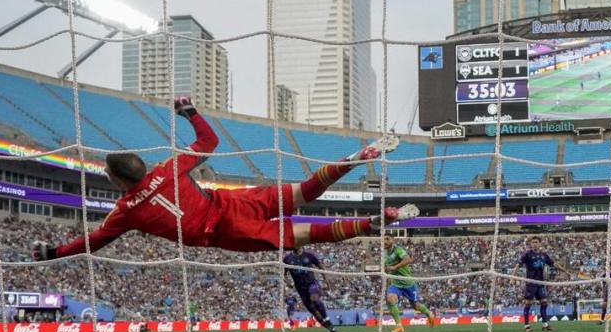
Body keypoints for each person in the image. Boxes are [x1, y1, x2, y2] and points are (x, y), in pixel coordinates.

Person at [33, 97, 417, 260]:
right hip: (232, 201)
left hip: (224, 230)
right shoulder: (168, 168)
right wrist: (189, 111)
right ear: (142, 167)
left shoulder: (125, 211)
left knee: (306, 234)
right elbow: (210, 140)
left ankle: (374, 222)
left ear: (116, 179)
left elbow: (93, 242)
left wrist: (53, 252)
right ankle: (352, 160)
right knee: (302, 192)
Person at [511, 235, 569, 332]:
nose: (534, 244)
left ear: (540, 243)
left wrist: (565, 271)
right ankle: (527, 326)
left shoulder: (544, 255)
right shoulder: (527, 254)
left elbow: (554, 264)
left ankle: (545, 325)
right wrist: (513, 277)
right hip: (531, 283)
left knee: (544, 302)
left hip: (541, 283)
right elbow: (518, 265)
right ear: (531, 244)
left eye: (536, 242)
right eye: (533, 242)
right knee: (528, 304)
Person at [384, 234, 436, 332]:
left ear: (393, 240)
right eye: (383, 239)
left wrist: (395, 267)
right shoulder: (385, 254)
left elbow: (408, 260)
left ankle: (429, 313)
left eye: (387, 239)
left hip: (407, 283)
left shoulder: (398, 250)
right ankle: (399, 326)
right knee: (390, 298)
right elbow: (388, 268)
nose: (385, 241)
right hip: (395, 283)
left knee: (415, 306)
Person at [284, 246, 336, 332]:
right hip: (301, 289)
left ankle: (327, 318)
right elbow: (283, 274)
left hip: (312, 283)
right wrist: (288, 282)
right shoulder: (287, 259)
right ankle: (331, 328)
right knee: (314, 312)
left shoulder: (309, 255)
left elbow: (320, 267)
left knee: (314, 298)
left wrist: (326, 281)